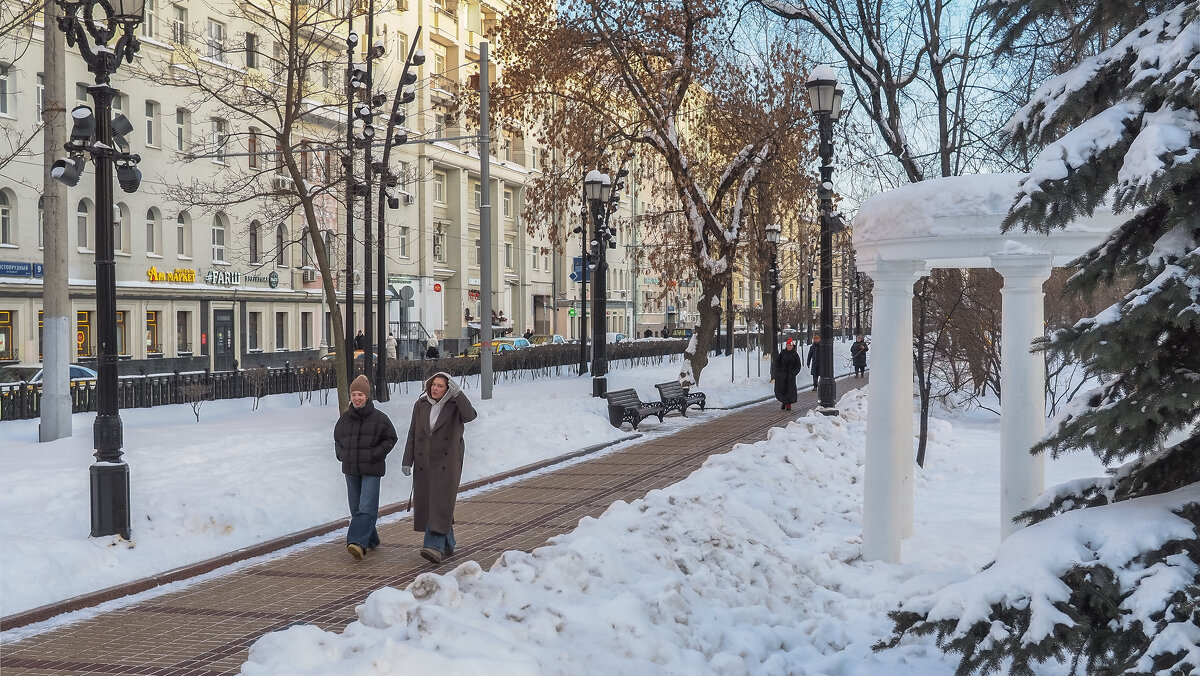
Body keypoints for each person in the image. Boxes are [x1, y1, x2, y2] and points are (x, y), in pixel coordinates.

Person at [402, 371, 478, 564]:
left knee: (439, 502)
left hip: (447, 463)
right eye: (433, 384)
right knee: (431, 503)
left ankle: (433, 546)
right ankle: (448, 542)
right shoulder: (420, 405)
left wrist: (458, 394)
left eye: (440, 386)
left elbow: (470, 416)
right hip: (424, 463)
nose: (435, 388)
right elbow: (413, 433)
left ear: (448, 389)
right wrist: (407, 460)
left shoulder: (455, 406)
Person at [334, 375, 398, 561]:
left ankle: (357, 542)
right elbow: (337, 439)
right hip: (351, 469)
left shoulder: (380, 418)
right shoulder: (345, 419)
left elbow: (391, 438)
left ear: (367, 396)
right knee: (356, 508)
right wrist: (341, 455)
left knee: (366, 506)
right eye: (354, 394)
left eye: (360, 394)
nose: (356, 398)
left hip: (371, 468)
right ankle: (371, 539)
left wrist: (375, 454)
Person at [772, 338, 802, 411]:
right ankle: (783, 402)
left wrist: (793, 373)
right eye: (788, 345)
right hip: (782, 375)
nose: (789, 347)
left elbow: (798, 365)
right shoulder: (782, 353)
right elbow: (777, 362)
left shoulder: (795, 354)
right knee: (782, 389)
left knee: (789, 390)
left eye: (790, 345)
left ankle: (788, 404)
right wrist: (777, 371)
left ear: (792, 346)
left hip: (790, 375)